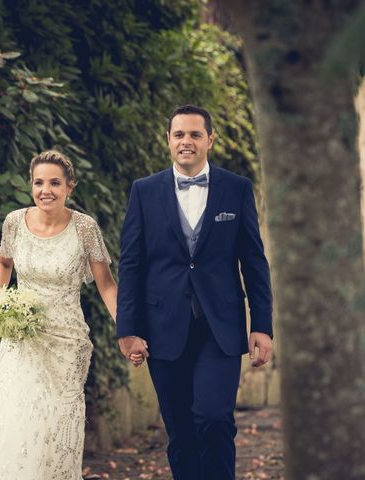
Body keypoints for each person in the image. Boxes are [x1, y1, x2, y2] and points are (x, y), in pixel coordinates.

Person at [0, 150, 134, 479]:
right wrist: (2, 302)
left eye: (54, 183)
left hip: (67, 344)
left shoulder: (85, 228)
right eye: (38, 183)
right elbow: (3, 264)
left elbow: (106, 285)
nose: (45, 190)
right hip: (21, 341)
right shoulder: (14, 223)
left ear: (69, 188)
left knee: (57, 429)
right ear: (31, 186)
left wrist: (127, 330)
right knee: (13, 419)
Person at [116, 105, 274, 480]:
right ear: (169, 140)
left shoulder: (236, 189)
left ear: (210, 140)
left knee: (215, 418)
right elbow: (132, 264)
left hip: (219, 328)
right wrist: (128, 329)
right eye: (179, 135)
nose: (186, 142)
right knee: (181, 431)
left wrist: (262, 325)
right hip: (162, 326)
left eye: (195, 135)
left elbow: (253, 261)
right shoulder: (144, 191)